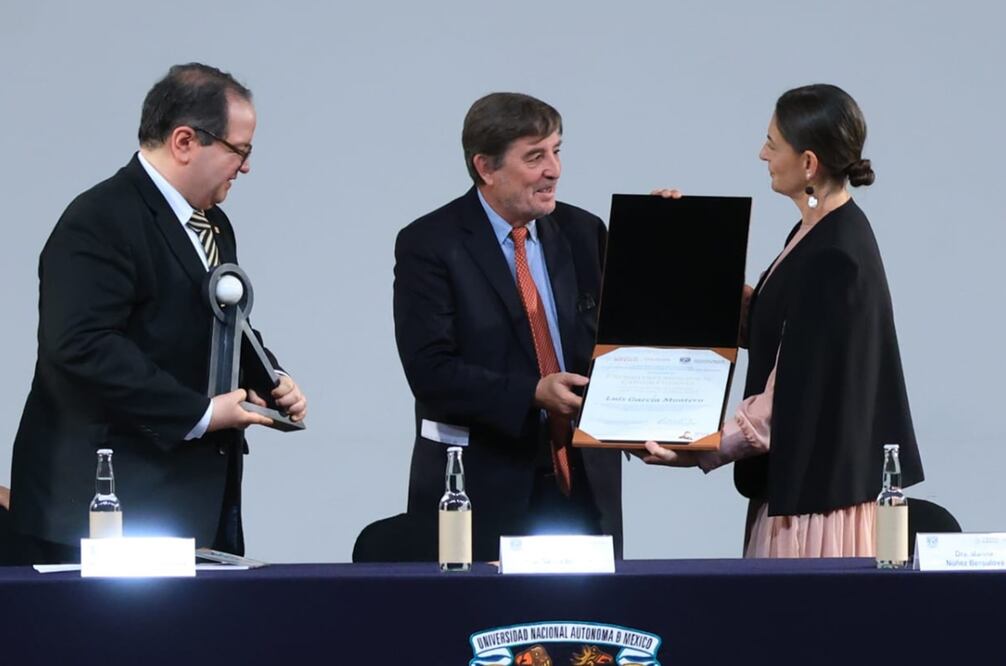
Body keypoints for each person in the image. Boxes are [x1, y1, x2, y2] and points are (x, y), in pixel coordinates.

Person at [8, 63, 307, 564]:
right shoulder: (100, 219)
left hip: (194, 497)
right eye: (240, 151)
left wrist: (269, 380)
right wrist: (201, 414)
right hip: (109, 502)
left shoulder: (214, 225)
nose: (245, 167)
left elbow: (221, 320)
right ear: (185, 141)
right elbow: (81, 345)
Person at [644, 84, 923, 557]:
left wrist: (701, 448)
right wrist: (679, 241)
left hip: (817, 508)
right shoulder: (818, 231)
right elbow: (772, 324)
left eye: (772, 144)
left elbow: (787, 395)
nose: (762, 154)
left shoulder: (834, 256)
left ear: (808, 163)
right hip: (806, 493)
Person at [394, 92, 622, 560]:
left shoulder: (584, 232)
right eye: (535, 157)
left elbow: (623, 340)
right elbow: (431, 372)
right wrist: (533, 393)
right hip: (483, 491)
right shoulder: (430, 244)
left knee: (591, 609)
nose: (554, 170)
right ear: (486, 167)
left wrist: (663, 228)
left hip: (583, 484)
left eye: (557, 151)